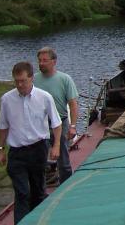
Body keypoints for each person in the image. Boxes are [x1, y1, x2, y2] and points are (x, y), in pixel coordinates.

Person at [0, 61, 61, 224]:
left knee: (38, 191)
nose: (19, 85)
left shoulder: (44, 97)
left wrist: (56, 146)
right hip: (17, 153)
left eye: (23, 81)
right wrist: (0, 149)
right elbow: (3, 126)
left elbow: (56, 123)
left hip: (38, 149)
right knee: (22, 192)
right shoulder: (6, 100)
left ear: (31, 78)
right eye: (16, 81)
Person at [34, 46, 79, 184]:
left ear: (54, 61)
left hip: (60, 122)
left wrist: (72, 126)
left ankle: (65, 184)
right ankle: (39, 189)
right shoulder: (34, 80)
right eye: (39, 60)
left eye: (45, 60)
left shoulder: (65, 79)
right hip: (40, 124)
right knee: (38, 158)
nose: (41, 63)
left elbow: (73, 104)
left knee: (63, 157)